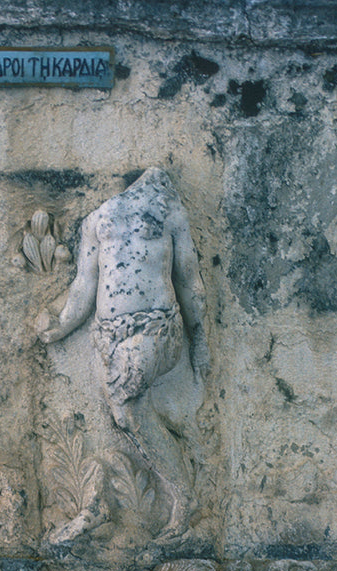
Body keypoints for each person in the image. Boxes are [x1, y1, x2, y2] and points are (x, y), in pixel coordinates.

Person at [39, 167, 209, 540]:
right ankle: (104, 504)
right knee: (124, 417)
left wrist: (199, 342)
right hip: (107, 337)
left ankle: (184, 497)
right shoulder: (98, 220)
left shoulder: (169, 216)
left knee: (126, 404)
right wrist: (60, 327)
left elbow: (189, 281)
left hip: (154, 329)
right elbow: (84, 285)